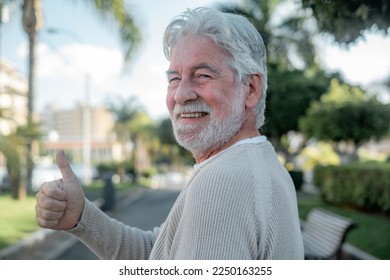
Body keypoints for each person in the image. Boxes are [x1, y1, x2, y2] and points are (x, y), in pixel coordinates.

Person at [35, 7, 304, 260]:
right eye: (174, 78)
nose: (181, 94)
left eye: (202, 75)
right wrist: (82, 216)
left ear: (251, 89)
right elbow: (159, 254)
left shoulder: (223, 182)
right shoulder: (253, 163)